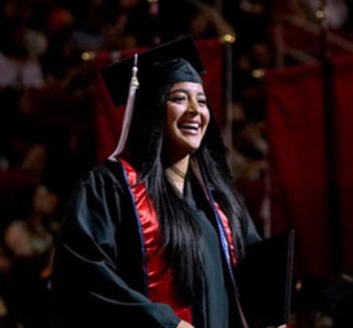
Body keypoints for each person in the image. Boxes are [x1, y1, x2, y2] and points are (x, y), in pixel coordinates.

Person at [51, 36, 262, 328]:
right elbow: (82, 275)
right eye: (179, 98)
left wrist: (272, 314)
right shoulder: (109, 188)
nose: (194, 111)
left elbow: (257, 270)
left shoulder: (219, 200)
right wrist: (163, 322)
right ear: (152, 110)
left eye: (201, 101)